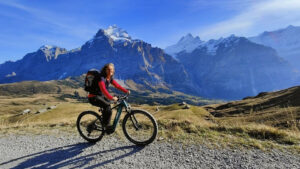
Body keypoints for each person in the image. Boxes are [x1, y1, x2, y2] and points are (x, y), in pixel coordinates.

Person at [87, 63, 130, 130]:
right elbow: (103, 89)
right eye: (109, 69)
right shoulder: (101, 78)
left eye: (112, 69)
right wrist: (112, 98)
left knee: (108, 108)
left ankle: (105, 124)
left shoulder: (109, 78)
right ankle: (106, 126)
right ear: (105, 70)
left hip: (100, 96)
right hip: (93, 97)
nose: (110, 71)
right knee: (107, 107)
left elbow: (117, 86)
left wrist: (126, 91)